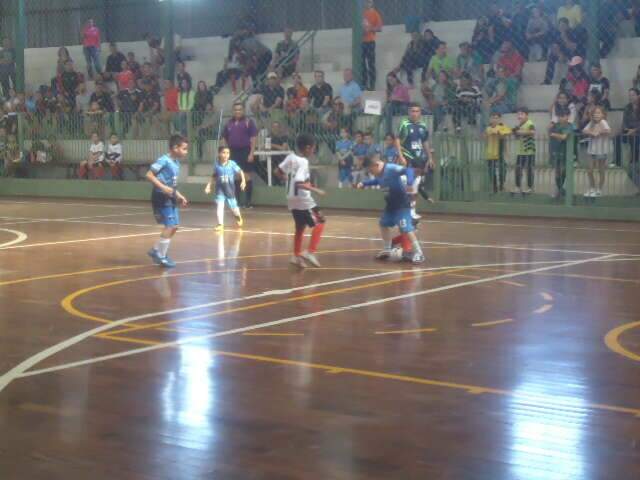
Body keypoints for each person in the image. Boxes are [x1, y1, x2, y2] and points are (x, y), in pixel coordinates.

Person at [356, 157, 426, 264]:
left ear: (376, 165)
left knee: (406, 228)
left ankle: (419, 253)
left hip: (402, 204)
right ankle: (387, 249)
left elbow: (409, 170)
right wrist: (364, 183)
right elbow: (377, 181)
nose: (370, 172)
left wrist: (409, 184)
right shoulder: (379, 175)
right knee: (383, 224)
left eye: (370, 170)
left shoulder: (391, 168)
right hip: (390, 206)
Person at [276, 133, 326, 269]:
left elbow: (278, 172)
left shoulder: (290, 157)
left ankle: (296, 256)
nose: (313, 151)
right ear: (308, 148)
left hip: (291, 199)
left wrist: (287, 180)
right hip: (303, 199)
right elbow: (299, 183)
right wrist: (316, 190)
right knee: (321, 221)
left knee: (300, 227)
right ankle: (310, 252)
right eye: (313, 148)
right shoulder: (303, 161)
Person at [146, 134, 189, 269]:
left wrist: (179, 195)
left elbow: (172, 184)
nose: (186, 152)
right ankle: (162, 257)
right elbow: (149, 175)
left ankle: (155, 250)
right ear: (175, 148)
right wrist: (163, 187)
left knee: (175, 226)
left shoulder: (176, 163)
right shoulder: (163, 160)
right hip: (161, 197)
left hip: (170, 197)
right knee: (169, 226)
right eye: (184, 149)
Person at [396, 103, 432, 218]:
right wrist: (401, 156)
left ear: (420, 113)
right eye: (412, 111)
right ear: (409, 112)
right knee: (409, 185)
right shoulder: (405, 124)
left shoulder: (423, 126)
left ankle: (411, 211)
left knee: (416, 186)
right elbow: (397, 140)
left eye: (417, 111)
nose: (415, 113)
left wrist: (430, 157)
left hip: (419, 159)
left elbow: (425, 142)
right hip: (408, 157)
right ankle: (404, 211)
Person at [222, 103, 258, 208]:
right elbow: (224, 137)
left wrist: (251, 153)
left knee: (246, 176)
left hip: (245, 151)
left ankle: (248, 202)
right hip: (233, 152)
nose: (238, 111)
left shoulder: (248, 122)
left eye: (240, 109)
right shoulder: (229, 123)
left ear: (243, 111)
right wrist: (226, 152)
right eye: (236, 110)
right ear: (233, 111)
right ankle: (237, 201)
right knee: (236, 177)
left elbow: (253, 139)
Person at [205, 146, 246, 231]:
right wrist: (209, 185)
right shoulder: (216, 165)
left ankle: (238, 216)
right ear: (219, 154)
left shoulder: (232, 164)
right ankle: (220, 224)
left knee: (233, 207)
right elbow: (214, 176)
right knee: (220, 206)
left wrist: (243, 181)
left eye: (228, 153)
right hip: (220, 190)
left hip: (229, 189)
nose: (226, 155)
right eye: (224, 152)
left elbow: (240, 171)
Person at [582, 106, 611, 197]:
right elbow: (584, 130)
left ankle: (599, 189)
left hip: (601, 150)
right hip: (591, 150)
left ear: (602, 114)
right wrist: (591, 133)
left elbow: (608, 130)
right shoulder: (591, 123)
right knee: (590, 169)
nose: (596, 115)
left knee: (600, 170)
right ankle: (592, 188)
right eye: (595, 113)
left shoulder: (603, 122)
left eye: (598, 113)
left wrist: (599, 132)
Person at [548, 107, 574, 198]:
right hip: (556, 151)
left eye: (563, 116)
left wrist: (555, 134)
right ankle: (560, 190)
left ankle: (563, 190)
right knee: (557, 172)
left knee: (564, 171)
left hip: (567, 152)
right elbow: (549, 133)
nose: (561, 118)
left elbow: (564, 137)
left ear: (567, 116)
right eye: (559, 116)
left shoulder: (569, 126)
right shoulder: (555, 125)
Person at [485, 111, 512, 193]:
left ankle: (501, 186)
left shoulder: (503, 127)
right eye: (493, 118)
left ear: (500, 119)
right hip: (490, 153)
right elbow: (487, 134)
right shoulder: (488, 128)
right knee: (491, 171)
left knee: (503, 169)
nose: (495, 120)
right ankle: (494, 187)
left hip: (499, 153)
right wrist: (495, 132)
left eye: (497, 118)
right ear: (490, 119)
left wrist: (507, 152)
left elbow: (506, 133)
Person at [512, 107, 536, 194]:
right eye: (518, 114)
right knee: (518, 169)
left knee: (529, 169)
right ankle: (518, 186)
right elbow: (516, 137)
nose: (519, 116)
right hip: (520, 151)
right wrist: (515, 132)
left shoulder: (530, 123)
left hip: (529, 151)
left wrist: (519, 132)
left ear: (527, 115)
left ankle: (530, 187)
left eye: (522, 114)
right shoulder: (518, 125)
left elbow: (532, 131)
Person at [619, 88, 640, 183]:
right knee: (617, 137)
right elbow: (624, 122)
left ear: (638, 96)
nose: (630, 97)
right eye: (629, 95)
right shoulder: (627, 107)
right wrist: (627, 129)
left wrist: (635, 130)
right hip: (631, 134)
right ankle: (617, 161)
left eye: (633, 95)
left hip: (637, 133)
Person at [361, 0, 383, 91]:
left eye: (369, 1)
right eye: (366, 1)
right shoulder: (361, 13)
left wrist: (370, 29)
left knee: (371, 64)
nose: (367, 3)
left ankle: (372, 84)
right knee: (362, 64)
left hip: (370, 41)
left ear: (372, 3)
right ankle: (363, 83)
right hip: (361, 41)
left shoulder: (375, 14)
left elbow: (379, 28)